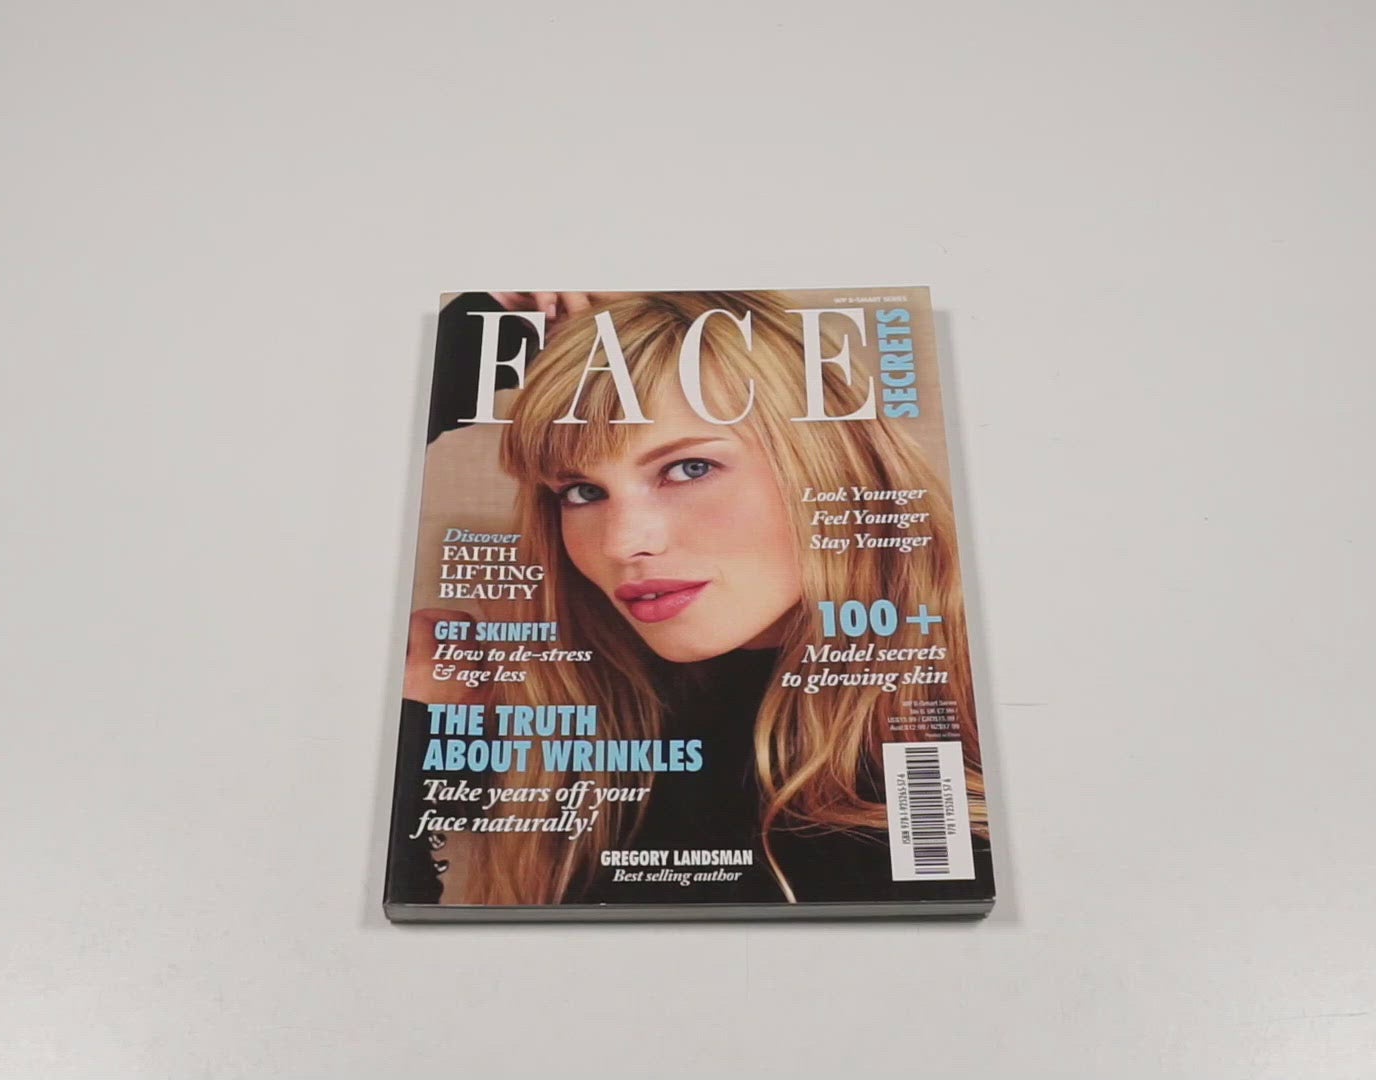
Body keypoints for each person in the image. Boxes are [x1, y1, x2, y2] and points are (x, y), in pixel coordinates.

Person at [394, 290, 990, 906]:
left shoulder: (981, 717)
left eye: (689, 469)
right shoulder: (565, 726)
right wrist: (482, 323)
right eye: (581, 492)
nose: (623, 543)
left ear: (833, 466)